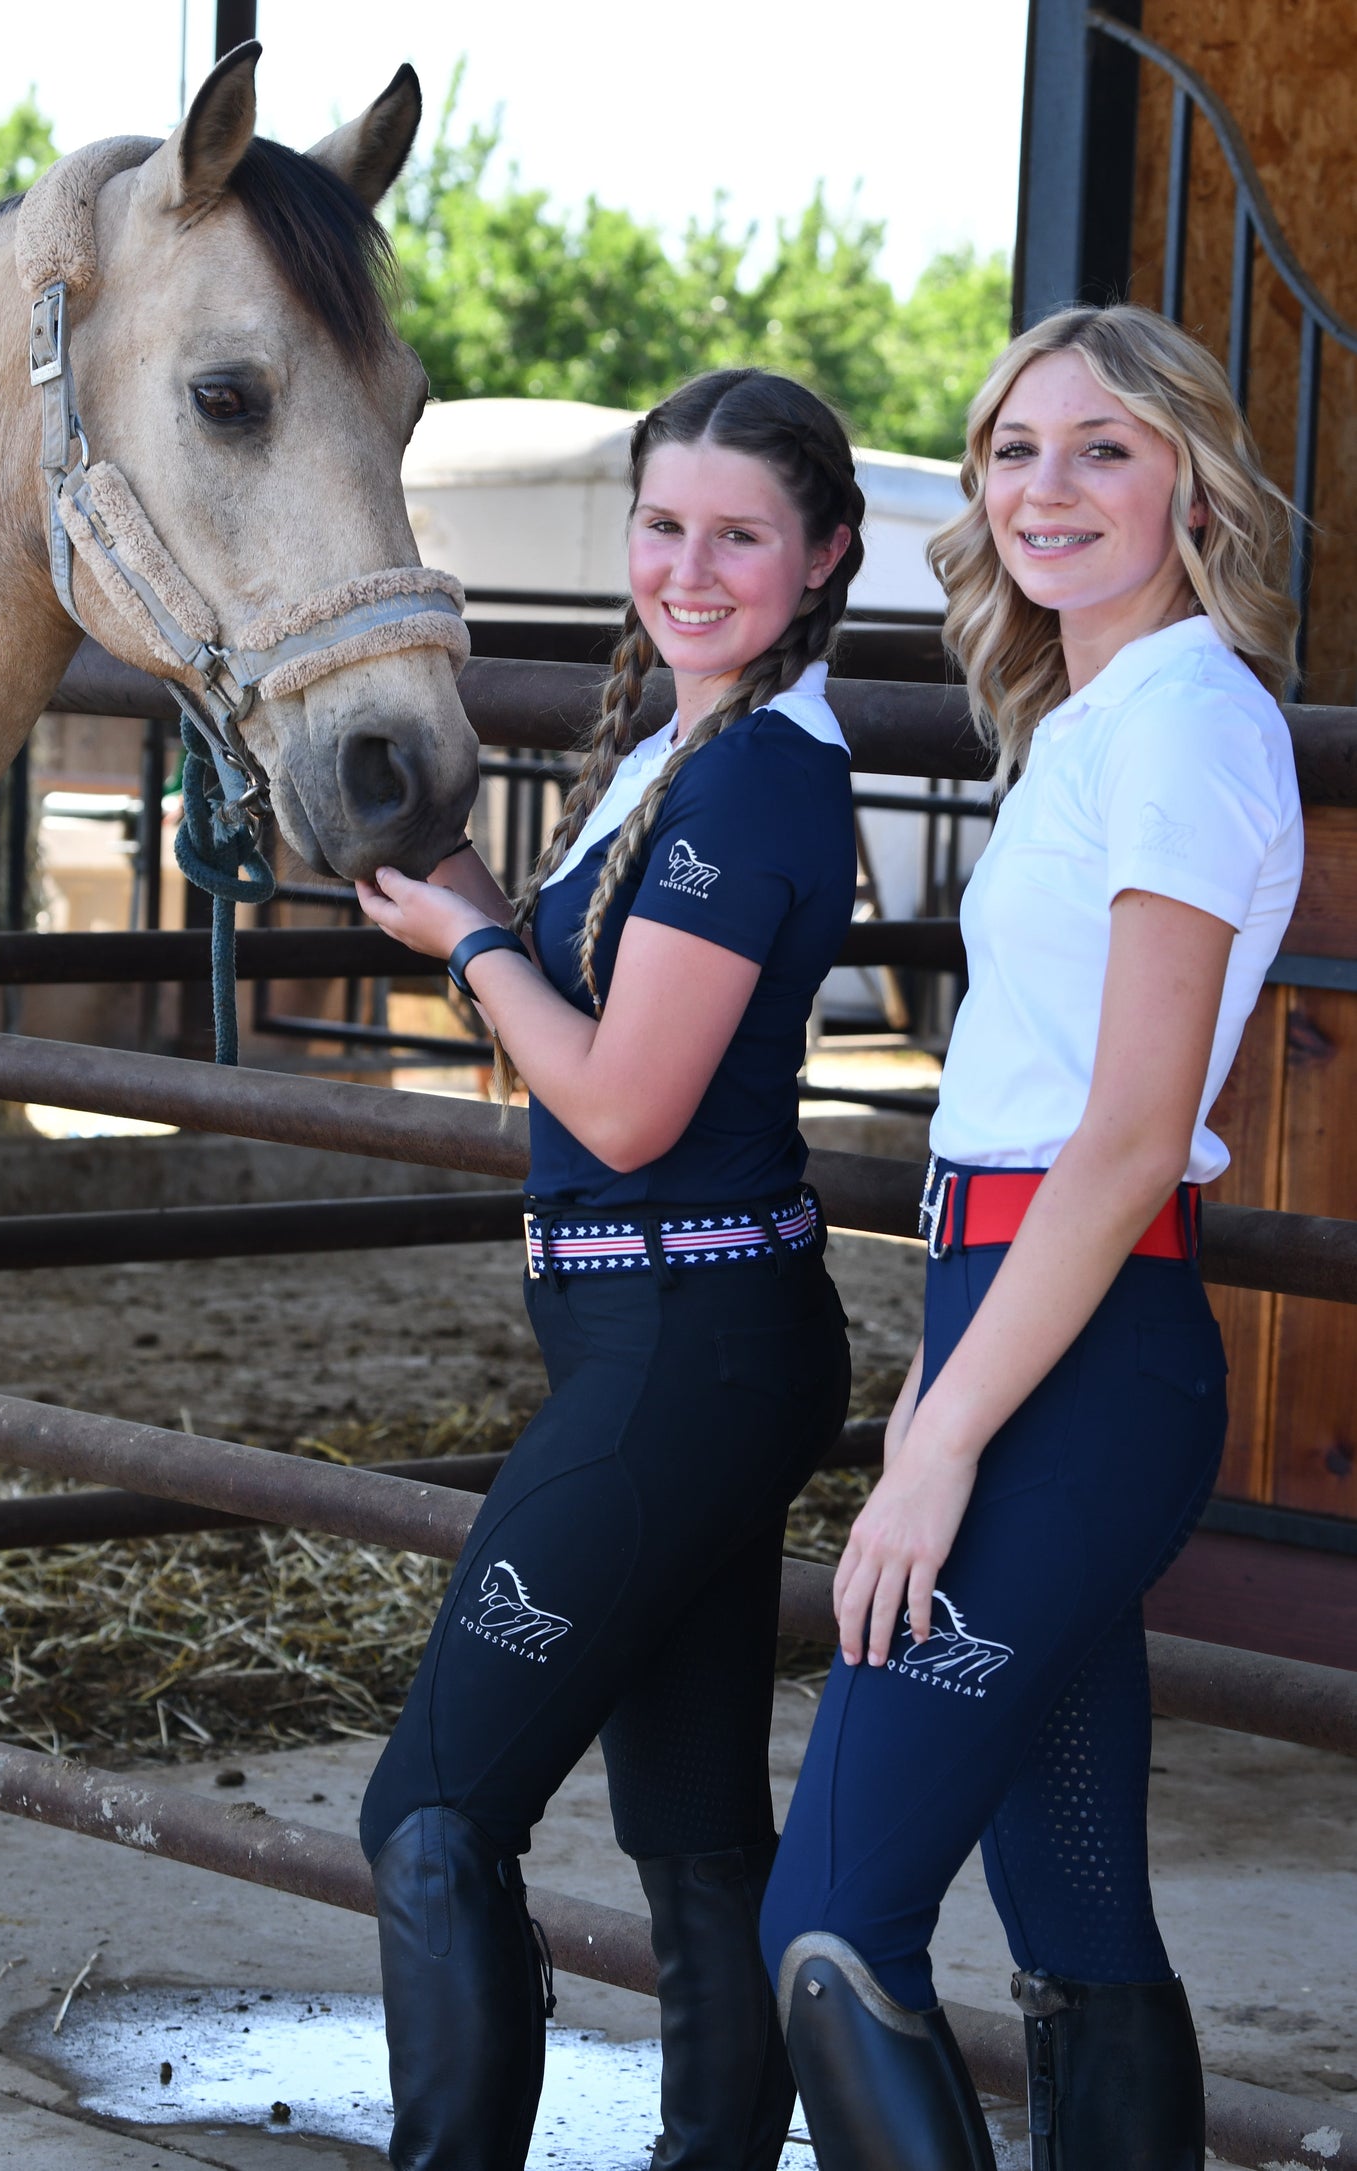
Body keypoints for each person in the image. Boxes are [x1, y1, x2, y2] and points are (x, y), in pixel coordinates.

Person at [759, 304, 1304, 2171]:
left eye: (1103, 449)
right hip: (1026, 1318)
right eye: (1010, 448)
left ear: (1193, 487)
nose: (1043, 488)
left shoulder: (1187, 729)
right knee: (1074, 1924)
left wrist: (940, 1448)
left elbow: (1133, 1132)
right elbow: (1023, 1125)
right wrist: (939, 1372)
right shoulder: (1102, 722)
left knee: (826, 1923)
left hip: (1085, 1369)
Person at [353, 367, 867, 2171]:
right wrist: (489, 923)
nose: (691, 567)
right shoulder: (680, 754)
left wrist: (478, 934)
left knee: (426, 1810)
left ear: (822, 560)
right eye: (663, 525)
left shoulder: (753, 791)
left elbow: (629, 1106)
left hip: (680, 1339)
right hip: (677, 1339)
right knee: (692, 1822)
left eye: (741, 535)